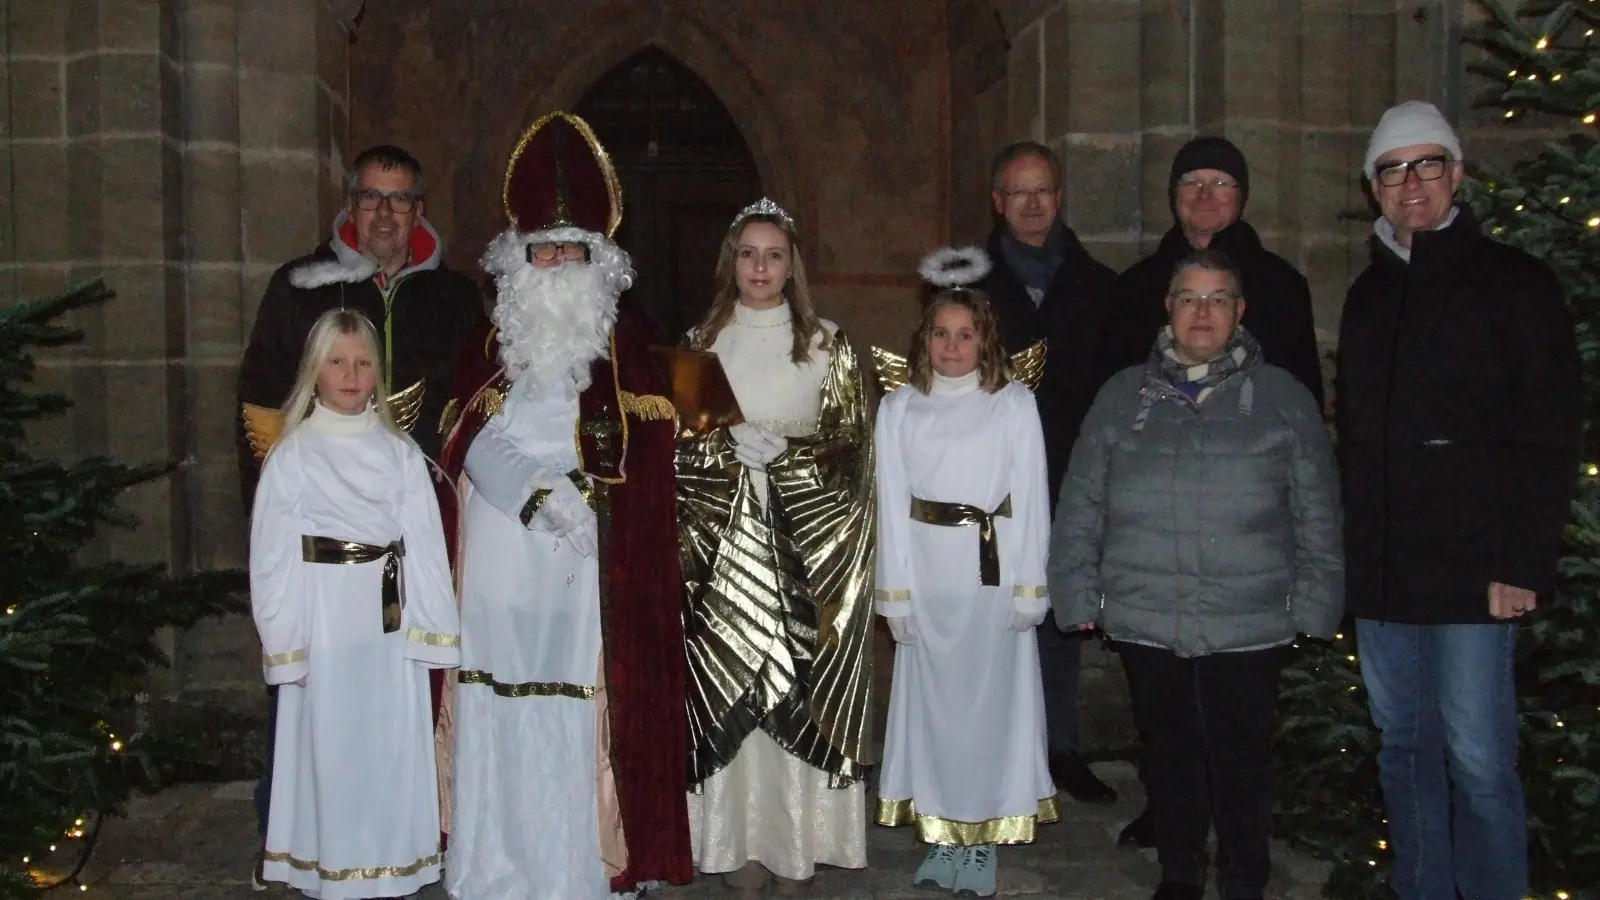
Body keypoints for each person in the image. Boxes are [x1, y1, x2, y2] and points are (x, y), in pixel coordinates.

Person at [435, 111, 691, 900]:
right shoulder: (486, 347)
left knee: (577, 707)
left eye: (571, 250)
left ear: (599, 262)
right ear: (516, 261)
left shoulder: (632, 351)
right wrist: (534, 491)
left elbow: (654, 456)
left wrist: (587, 500)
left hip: (587, 567)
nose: (554, 263)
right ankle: (494, 865)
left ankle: (581, 863)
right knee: (497, 701)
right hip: (502, 555)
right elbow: (459, 434)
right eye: (541, 250)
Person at [1337, 101, 1582, 900]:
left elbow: (1548, 433)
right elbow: (1359, 445)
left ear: (1458, 174)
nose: (1411, 183)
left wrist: (1522, 562)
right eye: (1393, 169)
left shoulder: (1515, 283)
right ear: (1375, 187)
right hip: (1386, 577)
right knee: (1404, 751)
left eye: (1427, 164)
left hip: (1479, 573)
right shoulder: (1368, 297)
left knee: (1478, 759)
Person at [1052, 249, 1343, 900]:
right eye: (1189, 298)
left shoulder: (1280, 399)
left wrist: (1318, 604)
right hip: (1149, 611)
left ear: (1240, 312)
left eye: (1217, 299)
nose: (1202, 312)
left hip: (1250, 618)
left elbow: (1318, 510)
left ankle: (1245, 876)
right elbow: (1082, 501)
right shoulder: (1123, 396)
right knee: (1170, 751)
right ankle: (1180, 871)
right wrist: (1074, 588)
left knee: (1241, 759)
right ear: (1169, 308)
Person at [236, 145, 482, 881]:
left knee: (403, 710)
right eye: (371, 197)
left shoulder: (454, 297)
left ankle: (408, 840)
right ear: (349, 205)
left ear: (419, 211)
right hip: (320, 535)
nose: (384, 212)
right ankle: (298, 843)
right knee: (309, 711)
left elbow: (475, 398)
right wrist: (293, 493)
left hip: (420, 522)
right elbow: (261, 395)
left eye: (399, 199)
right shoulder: (300, 287)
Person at [1103, 134, 1326, 850]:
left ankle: (1240, 842)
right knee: (1163, 701)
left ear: (1243, 196)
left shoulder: (1282, 286)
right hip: (1159, 532)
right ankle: (1170, 814)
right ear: (1173, 196)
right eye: (1192, 182)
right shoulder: (1138, 286)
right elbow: (1111, 410)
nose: (1206, 196)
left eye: (1221, 183)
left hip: (1245, 532)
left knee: (1236, 710)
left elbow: (1304, 413)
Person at [676, 197, 876, 898]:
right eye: (748, 254)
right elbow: (675, 456)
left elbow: (852, 453)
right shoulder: (700, 341)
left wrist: (786, 456)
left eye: (774, 255)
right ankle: (738, 847)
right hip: (725, 562)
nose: (760, 267)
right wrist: (722, 451)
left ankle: (800, 844)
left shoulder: (827, 341)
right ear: (731, 261)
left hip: (800, 556)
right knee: (734, 690)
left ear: (792, 266)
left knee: (794, 692)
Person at [249, 308, 460, 899]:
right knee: (330, 749)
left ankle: (389, 864)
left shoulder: (399, 453)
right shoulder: (293, 455)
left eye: (363, 363)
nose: (350, 374)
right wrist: (286, 642)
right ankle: (332, 869)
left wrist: (431, 632)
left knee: (386, 748)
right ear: (314, 370)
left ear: (378, 374)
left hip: (385, 626)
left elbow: (423, 544)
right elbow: (270, 559)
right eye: (337, 362)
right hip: (324, 623)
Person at [873, 248, 1057, 899]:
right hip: (928, 580)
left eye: (965, 334)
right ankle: (942, 838)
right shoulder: (899, 410)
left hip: (992, 576)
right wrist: (892, 594)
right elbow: (891, 505)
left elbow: (1031, 495)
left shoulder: (1010, 405)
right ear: (926, 338)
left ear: (985, 339)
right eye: (941, 334)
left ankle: (981, 846)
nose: (953, 346)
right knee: (935, 712)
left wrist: (1032, 585)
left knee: (989, 711)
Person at [972, 140, 1119, 806]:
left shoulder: (1098, 286)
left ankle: (1060, 747)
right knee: (990, 614)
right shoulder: (965, 284)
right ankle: (992, 746)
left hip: (1068, 474)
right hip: (985, 483)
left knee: (1059, 621)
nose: (1033, 205)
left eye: (1045, 192)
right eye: (1019, 193)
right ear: (999, 202)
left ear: (1059, 199)